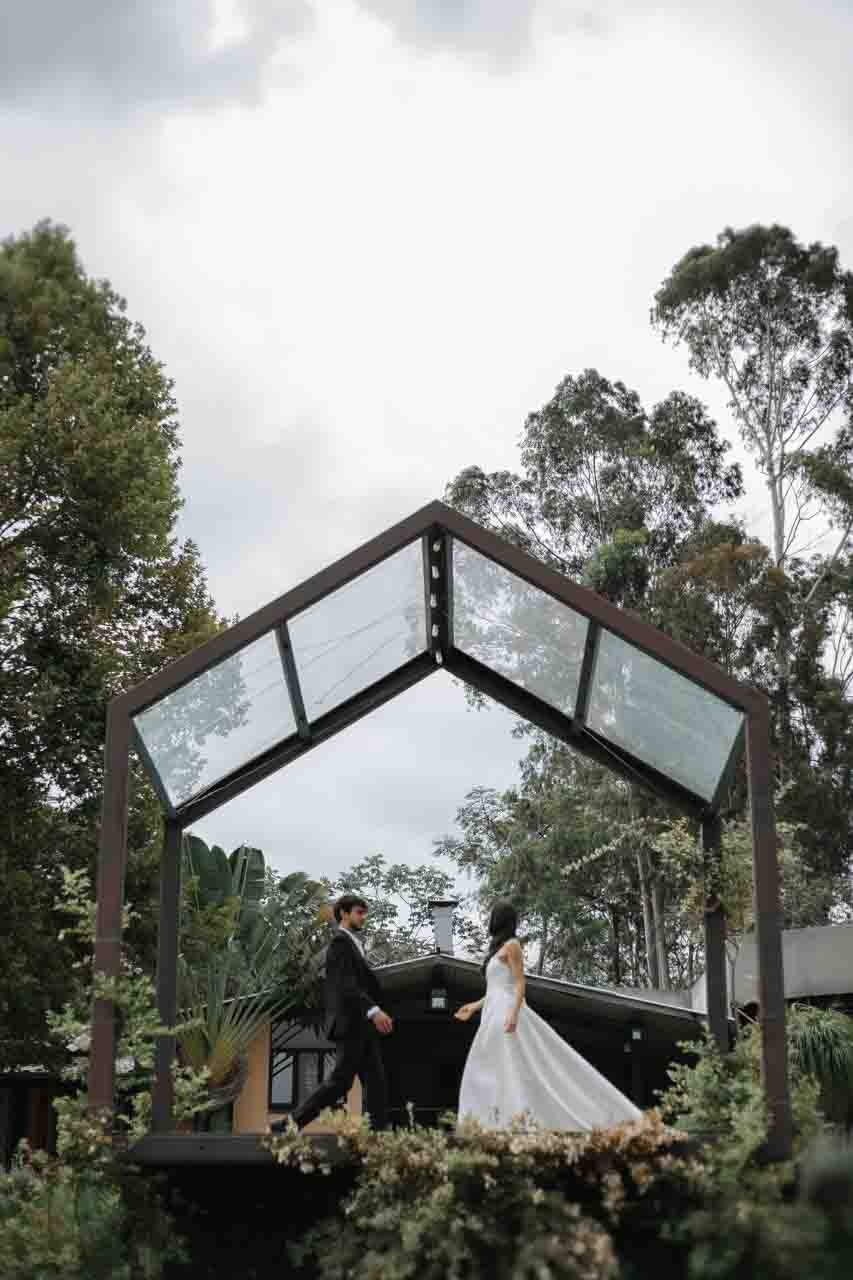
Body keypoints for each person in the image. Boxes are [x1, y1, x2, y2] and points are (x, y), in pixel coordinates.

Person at [455, 900, 642, 1131]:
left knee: (510, 1065)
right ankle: (493, 1121)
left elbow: (519, 983)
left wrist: (514, 1014)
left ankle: (518, 1120)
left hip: (505, 1012)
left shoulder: (512, 945)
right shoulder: (496, 950)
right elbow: (495, 989)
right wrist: (474, 1006)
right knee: (491, 1066)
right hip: (492, 1011)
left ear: (499, 919)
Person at [271, 893, 393, 1132]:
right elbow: (347, 984)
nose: (363, 917)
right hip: (351, 1025)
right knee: (340, 1083)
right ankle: (289, 1124)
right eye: (359, 912)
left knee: (376, 1083)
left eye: (365, 913)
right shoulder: (340, 942)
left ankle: (377, 1133)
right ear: (344, 913)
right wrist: (373, 1010)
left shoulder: (354, 943)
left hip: (362, 1026)